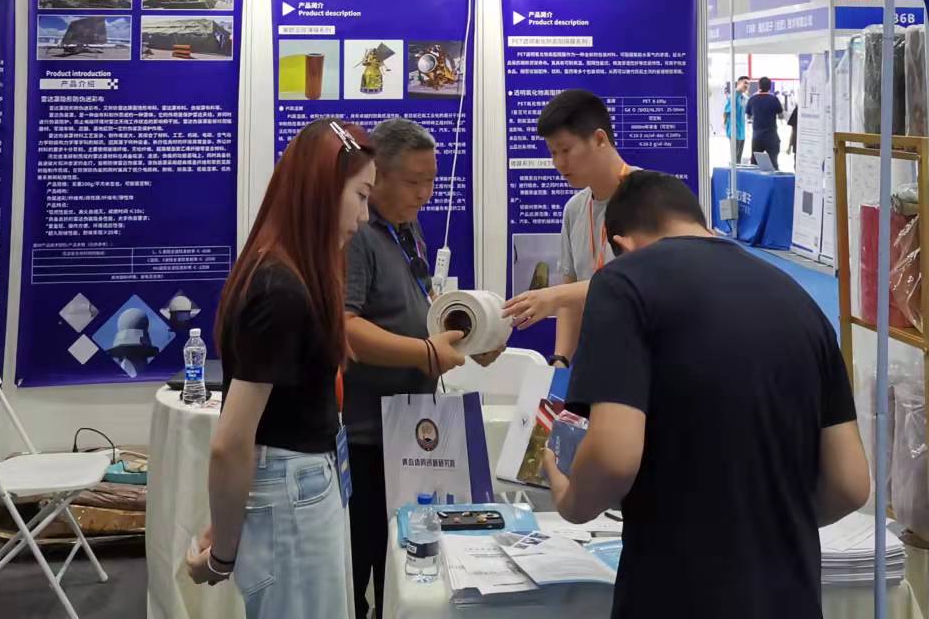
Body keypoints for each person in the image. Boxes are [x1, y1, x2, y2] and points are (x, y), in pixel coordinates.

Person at [544, 171, 869, 618]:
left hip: (678, 594)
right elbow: (850, 484)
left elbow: (613, 457)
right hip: (790, 596)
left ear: (623, 244)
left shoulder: (623, 284)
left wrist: (570, 499)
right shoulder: (800, 302)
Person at [188, 119, 375, 617]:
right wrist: (224, 553)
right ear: (323, 190)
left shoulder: (290, 274)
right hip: (293, 491)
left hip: (298, 484)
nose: (364, 216)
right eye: (360, 196)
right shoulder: (280, 289)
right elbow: (232, 441)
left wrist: (233, 521)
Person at [342, 118, 497, 619]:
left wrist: (473, 339)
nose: (425, 194)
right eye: (414, 182)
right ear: (377, 177)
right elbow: (346, 328)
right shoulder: (358, 234)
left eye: (431, 181)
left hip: (411, 431)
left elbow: (418, 309)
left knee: (407, 565)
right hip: (366, 434)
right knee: (359, 564)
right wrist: (425, 354)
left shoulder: (407, 227)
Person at [502, 90, 633, 370]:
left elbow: (644, 283)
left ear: (600, 139)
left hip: (647, 361)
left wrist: (554, 296)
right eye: (553, 153)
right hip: (597, 362)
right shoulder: (575, 209)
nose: (559, 163)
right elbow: (571, 295)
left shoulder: (651, 197)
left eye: (565, 150)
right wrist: (560, 359)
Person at [746, 75, 786, 169]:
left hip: (757, 137)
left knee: (754, 165)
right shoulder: (774, 99)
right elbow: (781, 116)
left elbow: (748, 116)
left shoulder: (752, 99)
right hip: (771, 137)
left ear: (759, 86)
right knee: (773, 163)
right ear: (770, 86)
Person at [722, 75, 751, 165]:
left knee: (738, 160)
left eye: (748, 84)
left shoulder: (744, 97)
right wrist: (725, 125)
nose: (747, 85)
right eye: (745, 83)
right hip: (734, 131)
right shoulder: (733, 96)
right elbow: (726, 112)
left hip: (741, 132)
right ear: (739, 83)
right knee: (734, 160)